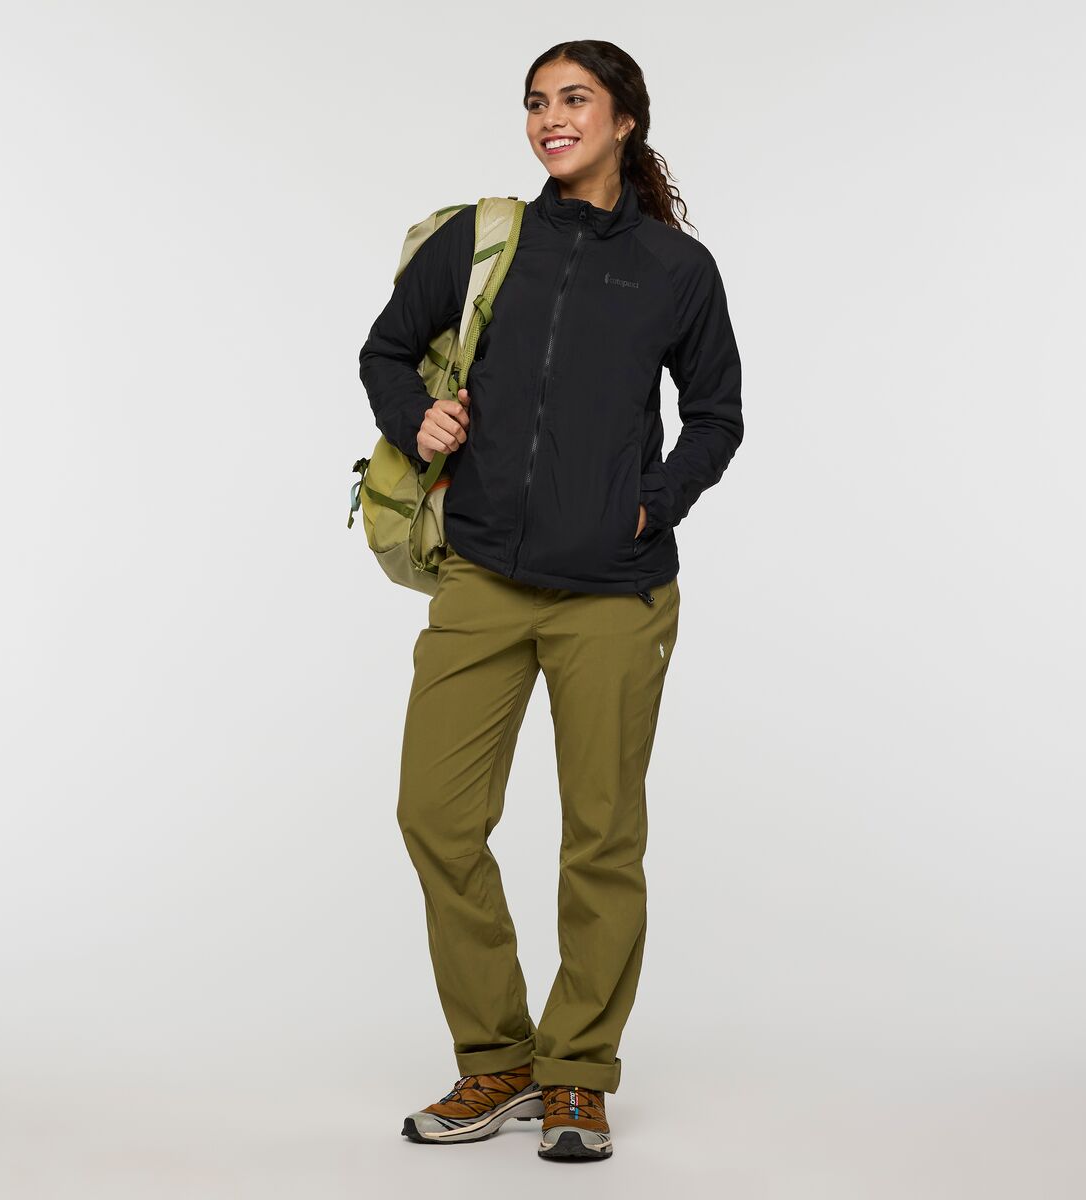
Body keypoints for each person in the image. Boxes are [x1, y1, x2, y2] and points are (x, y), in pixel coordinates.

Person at [358, 39, 743, 1163]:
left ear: (625, 120)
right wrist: (416, 418)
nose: (550, 118)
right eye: (536, 102)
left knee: (601, 836)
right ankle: (498, 1060)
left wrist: (650, 505)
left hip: (615, 594)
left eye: (575, 99)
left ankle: (577, 1074)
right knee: (435, 815)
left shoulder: (676, 267)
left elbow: (717, 414)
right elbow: (387, 352)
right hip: (482, 576)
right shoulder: (486, 242)